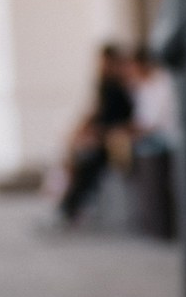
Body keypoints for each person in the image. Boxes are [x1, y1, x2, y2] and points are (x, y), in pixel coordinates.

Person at [54, 43, 138, 225]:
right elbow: (96, 113)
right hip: (105, 136)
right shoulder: (105, 85)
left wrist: (98, 133)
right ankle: (65, 204)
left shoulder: (121, 86)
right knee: (77, 158)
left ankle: (68, 208)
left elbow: (122, 118)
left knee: (88, 162)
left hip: (113, 138)